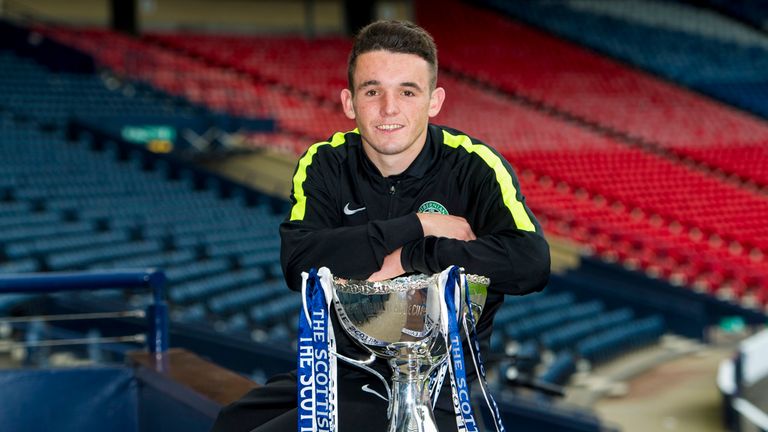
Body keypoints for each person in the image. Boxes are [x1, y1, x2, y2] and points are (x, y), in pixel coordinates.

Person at [212, 19, 550, 432]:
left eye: (408, 92)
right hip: (344, 369)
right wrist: (416, 225)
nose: (389, 109)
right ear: (349, 102)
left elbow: (531, 262)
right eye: (372, 91)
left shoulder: (474, 165)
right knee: (230, 422)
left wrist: (413, 256)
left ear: (434, 101)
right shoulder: (326, 163)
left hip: (436, 383)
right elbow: (298, 261)